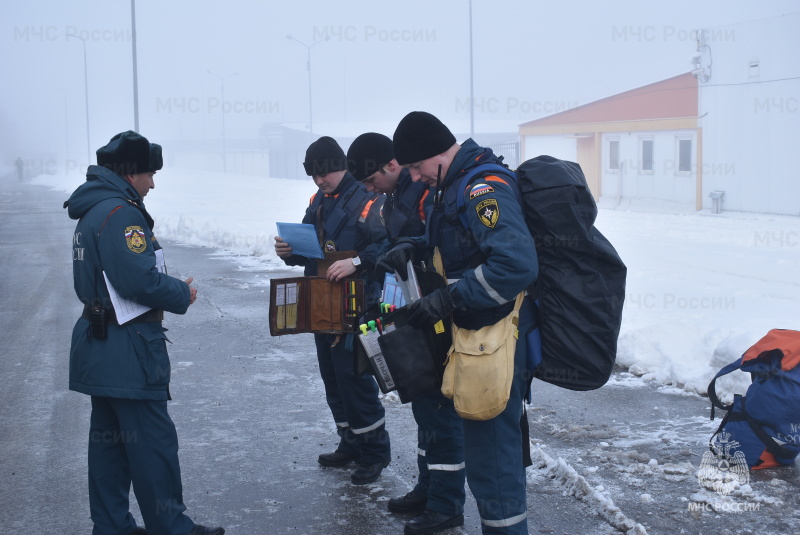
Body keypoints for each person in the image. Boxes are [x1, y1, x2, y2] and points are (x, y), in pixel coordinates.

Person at [384, 112, 538, 535]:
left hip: (496, 336)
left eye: (416, 166)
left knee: (492, 461)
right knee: (486, 457)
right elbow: (455, 246)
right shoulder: (452, 187)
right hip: (474, 337)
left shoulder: (481, 187)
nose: (414, 176)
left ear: (437, 153)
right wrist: (410, 248)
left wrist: (448, 298)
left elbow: (515, 264)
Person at [65, 131, 224, 535]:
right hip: (130, 348)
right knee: (152, 446)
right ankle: (171, 527)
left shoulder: (92, 211)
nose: (152, 183)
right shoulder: (121, 214)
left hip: (100, 344)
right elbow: (138, 280)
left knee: (109, 447)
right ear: (130, 173)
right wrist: (180, 292)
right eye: (149, 174)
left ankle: (112, 526)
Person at [346, 132, 467, 535]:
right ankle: (428, 487)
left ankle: (446, 504)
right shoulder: (397, 196)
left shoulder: (428, 191)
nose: (368, 190)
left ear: (392, 166)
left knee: (439, 408)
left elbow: (440, 249)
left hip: (435, 315)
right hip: (410, 309)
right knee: (422, 403)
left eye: (369, 181)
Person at [274, 135, 392, 485]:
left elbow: (388, 245)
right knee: (333, 379)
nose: (319, 181)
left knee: (355, 380)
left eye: (324, 174)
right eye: (313, 176)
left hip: (358, 304)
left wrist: (356, 261)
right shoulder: (319, 200)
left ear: (341, 167)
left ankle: (374, 452)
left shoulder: (371, 198)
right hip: (322, 302)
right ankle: (350, 442)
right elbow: (311, 245)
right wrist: (289, 251)